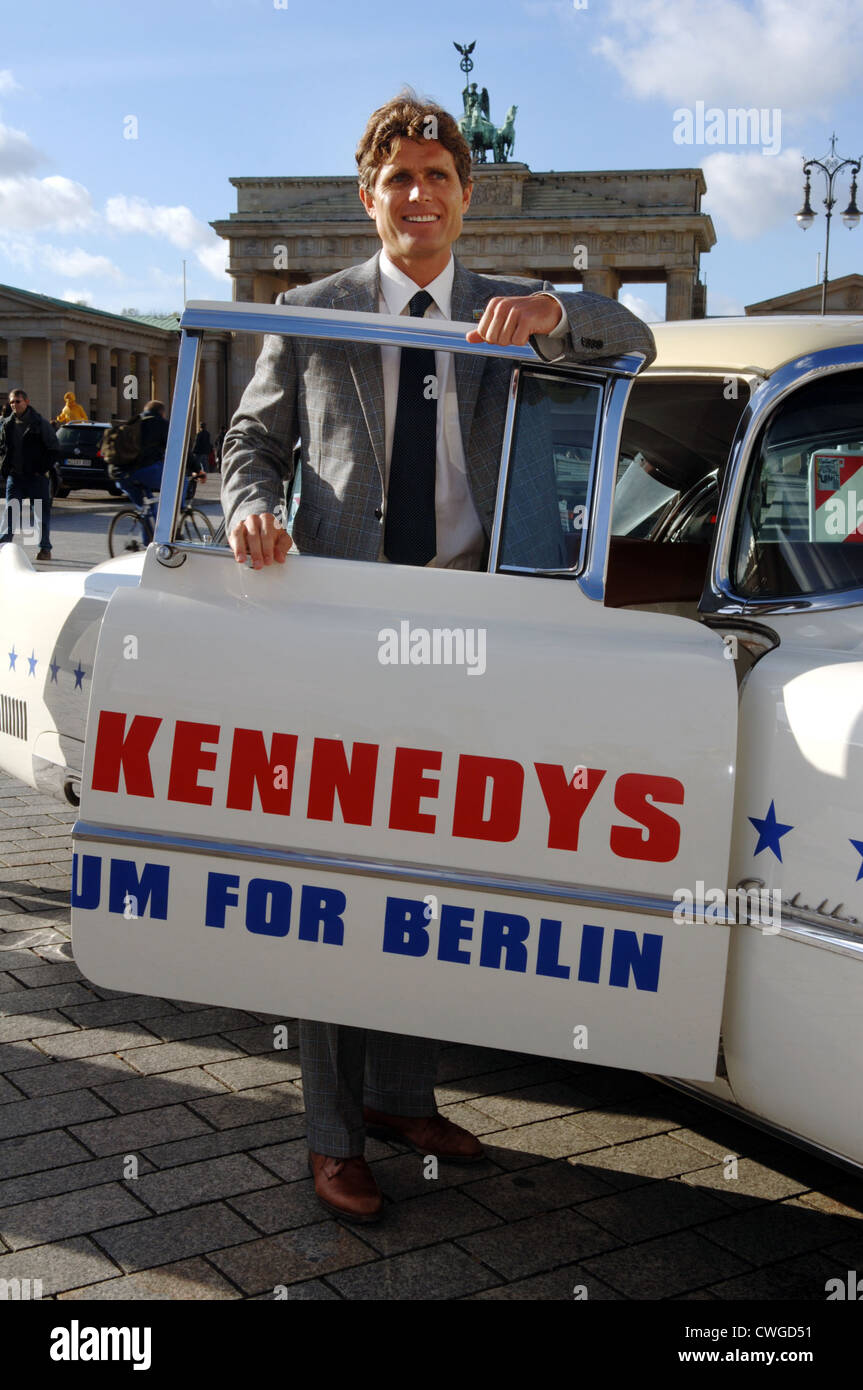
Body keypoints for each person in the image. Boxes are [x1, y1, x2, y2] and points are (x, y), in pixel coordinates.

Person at [221, 92, 656, 1224]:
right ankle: (329, 1131)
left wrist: (555, 311)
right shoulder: (313, 308)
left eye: (436, 177)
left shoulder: (509, 310)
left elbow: (637, 342)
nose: (417, 196)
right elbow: (250, 443)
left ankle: (402, 1095)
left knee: (425, 868)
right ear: (367, 199)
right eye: (396, 180)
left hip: (468, 630)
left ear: (466, 197)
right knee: (329, 881)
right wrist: (249, 511)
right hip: (336, 620)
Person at [0, 387, 59, 561]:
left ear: (26, 402)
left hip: (36, 478)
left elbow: (54, 448)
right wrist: (5, 466)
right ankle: (4, 545)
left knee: (40, 514)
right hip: (15, 476)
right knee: (11, 511)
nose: (14, 405)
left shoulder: (39, 423)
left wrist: (41, 469)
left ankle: (44, 548)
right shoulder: (7, 424)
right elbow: (3, 447)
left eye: (17, 401)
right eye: (11, 401)